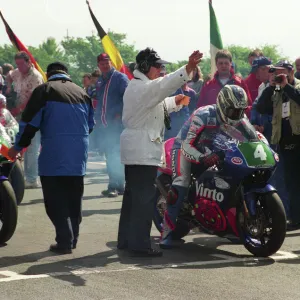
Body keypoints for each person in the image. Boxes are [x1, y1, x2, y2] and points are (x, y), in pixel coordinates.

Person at [118, 47, 203, 257]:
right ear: (146, 67)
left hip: (138, 148)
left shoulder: (139, 86)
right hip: (142, 150)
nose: (161, 70)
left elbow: (154, 104)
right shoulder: (142, 87)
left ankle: (127, 240)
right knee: (144, 200)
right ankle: (139, 245)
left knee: (133, 197)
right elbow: (162, 87)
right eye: (158, 66)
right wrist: (188, 68)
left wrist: (175, 102)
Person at [8, 62, 95, 254]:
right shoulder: (82, 92)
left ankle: (64, 241)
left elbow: (29, 124)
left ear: (48, 74)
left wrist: (17, 147)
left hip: (54, 154)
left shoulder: (44, 91)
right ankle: (72, 239)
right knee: (74, 198)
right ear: (67, 74)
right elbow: (90, 125)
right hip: (78, 155)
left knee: (55, 199)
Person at [160, 85, 249, 248]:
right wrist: (203, 157)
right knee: (182, 181)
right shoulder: (204, 115)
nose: (237, 115)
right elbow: (187, 145)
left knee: (231, 175)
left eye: (240, 111)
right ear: (222, 106)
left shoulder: (240, 118)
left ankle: (230, 226)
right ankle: (166, 232)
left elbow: (250, 139)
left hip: (214, 149)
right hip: (185, 147)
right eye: (233, 111)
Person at [256, 60, 300, 230]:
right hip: (285, 142)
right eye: (277, 72)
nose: (280, 75)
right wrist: (271, 86)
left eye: (283, 72)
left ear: (291, 72)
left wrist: (287, 86)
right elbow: (261, 108)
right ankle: (296, 218)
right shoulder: (276, 90)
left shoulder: (296, 86)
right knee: (291, 182)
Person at [5, 52, 44, 188]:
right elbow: (9, 75)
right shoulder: (17, 72)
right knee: (22, 145)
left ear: (29, 62)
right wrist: (9, 86)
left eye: (21, 64)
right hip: (21, 116)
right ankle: (26, 176)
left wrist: (19, 109)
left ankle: (32, 179)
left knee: (33, 147)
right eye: (17, 64)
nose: (19, 67)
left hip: (34, 114)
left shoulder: (36, 77)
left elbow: (32, 99)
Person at [95, 53, 129, 197]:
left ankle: (114, 186)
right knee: (111, 155)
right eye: (102, 63)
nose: (105, 65)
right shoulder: (100, 80)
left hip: (116, 124)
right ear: (98, 65)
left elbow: (127, 98)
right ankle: (119, 185)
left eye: (107, 63)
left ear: (111, 63)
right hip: (104, 123)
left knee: (114, 154)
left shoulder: (120, 78)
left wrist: (118, 114)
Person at [196, 50, 252, 116]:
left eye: (226, 63)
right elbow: (200, 108)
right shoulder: (208, 86)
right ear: (216, 64)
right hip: (214, 124)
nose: (223, 66)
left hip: (236, 124)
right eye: (220, 63)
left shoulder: (239, 83)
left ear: (230, 64)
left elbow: (248, 105)